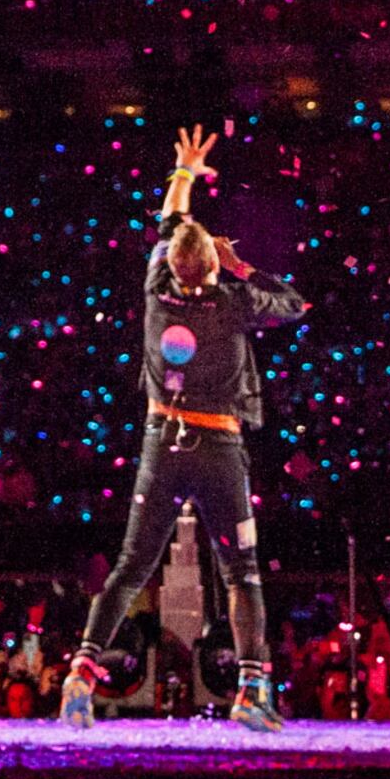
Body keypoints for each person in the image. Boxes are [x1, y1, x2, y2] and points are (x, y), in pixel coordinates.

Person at [59, 123, 307, 733]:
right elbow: (297, 304)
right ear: (214, 265)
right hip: (217, 447)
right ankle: (251, 690)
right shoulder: (235, 301)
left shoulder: (155, 289)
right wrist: (241, 266)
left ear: (169, 263)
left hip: (161, 442)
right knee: (241, 573)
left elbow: (170, 221)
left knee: (131, 567)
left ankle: (80, 676)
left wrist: (185, 173)